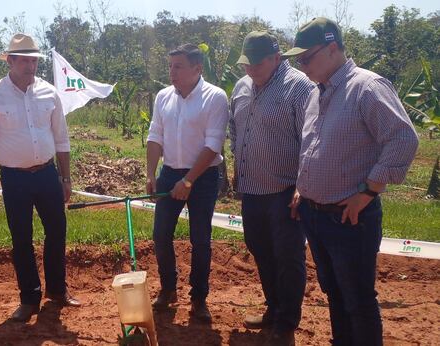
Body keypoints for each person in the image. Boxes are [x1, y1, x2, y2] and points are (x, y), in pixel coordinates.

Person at [283, 17, 419, 345]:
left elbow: (403, 139)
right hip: (315, 215)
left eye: (306, 57)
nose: (302, 66)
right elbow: (314, 146)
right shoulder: (316, 94)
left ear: (333, 49)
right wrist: (303, 188)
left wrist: (370, 190)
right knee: (334, 293)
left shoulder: (367, 87)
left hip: (349, 218)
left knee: (358, 299)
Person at [0, 33, 81, 323]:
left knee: (57, 232)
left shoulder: (49, 92)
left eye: (34, 60)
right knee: (21, 239)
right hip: (14, 179)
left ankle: (57, 291)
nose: (31, 66)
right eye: (24, 61)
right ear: (10, 61)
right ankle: (29, 299)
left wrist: (66, 178)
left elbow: (62, 138)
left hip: (47, 173)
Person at [229, 31, 314, 345]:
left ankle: (286, 323)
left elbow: (312, 140)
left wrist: (303, 185)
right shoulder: (241, 87)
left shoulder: (299, 88)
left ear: (277, 58)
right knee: (260, 248)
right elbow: (235, 129)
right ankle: (273, 307)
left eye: (256, 63)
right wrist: (237, 166)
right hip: (251, 189)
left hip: (285, 188)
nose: (250, 70)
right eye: (246, 64)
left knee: (288, 256)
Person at [146, 43, 229, 323]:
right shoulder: (163, 97)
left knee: (200, 239)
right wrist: (150, 174)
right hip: (169, 173)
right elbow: (155, 136)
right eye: (170, 66)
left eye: (178, 66)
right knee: (160, 235)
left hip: (203, 177)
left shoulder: (214, 98)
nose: (172, 72)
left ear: (197, 68)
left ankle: (199, 298)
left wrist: (189, 180)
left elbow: (213, 145)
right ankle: (169, 289)